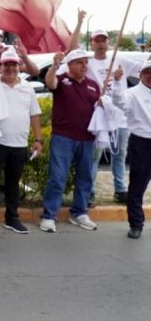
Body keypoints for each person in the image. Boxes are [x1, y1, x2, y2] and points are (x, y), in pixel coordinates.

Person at [0, 50, 41, 234]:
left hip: (19, 144)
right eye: (6, 64)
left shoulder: (27, 87)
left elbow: (34, 114)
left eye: (14, 64)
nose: (10, 68)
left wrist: (38, 139)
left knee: (13, 183)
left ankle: (12, 218)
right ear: (0, 66)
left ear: (19, 67)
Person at [39, 49, 103, 233]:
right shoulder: (61, 80)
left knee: (85, 178)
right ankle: (49, 216)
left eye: (86, 62)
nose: (84, 66)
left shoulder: (93, 85)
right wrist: (54, 66)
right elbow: (50, 82)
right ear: (70, 64)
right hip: (63, 138)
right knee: (57, 178)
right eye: (80, 62)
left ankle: (79, 213)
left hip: (87, 139)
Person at [85, 29, 140, 204]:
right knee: (95, 154)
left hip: (120, 117)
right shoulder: (87, 63)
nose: (101, 44)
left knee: (120, 153)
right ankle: (89, 191)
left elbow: (142, 69)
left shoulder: (119, 60)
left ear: (108, 42)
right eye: (97, 40)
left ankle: (120, 189)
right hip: (99, 115)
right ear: (92, 43)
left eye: (104, 40)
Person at [110, 60, 151, 239]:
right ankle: (136, 224)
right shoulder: (132, 93)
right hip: (142, 143)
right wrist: (117, 82)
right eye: (147, 72)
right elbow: (119, 101)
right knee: (137, 186)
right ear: (140, 75)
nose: (150, 76)